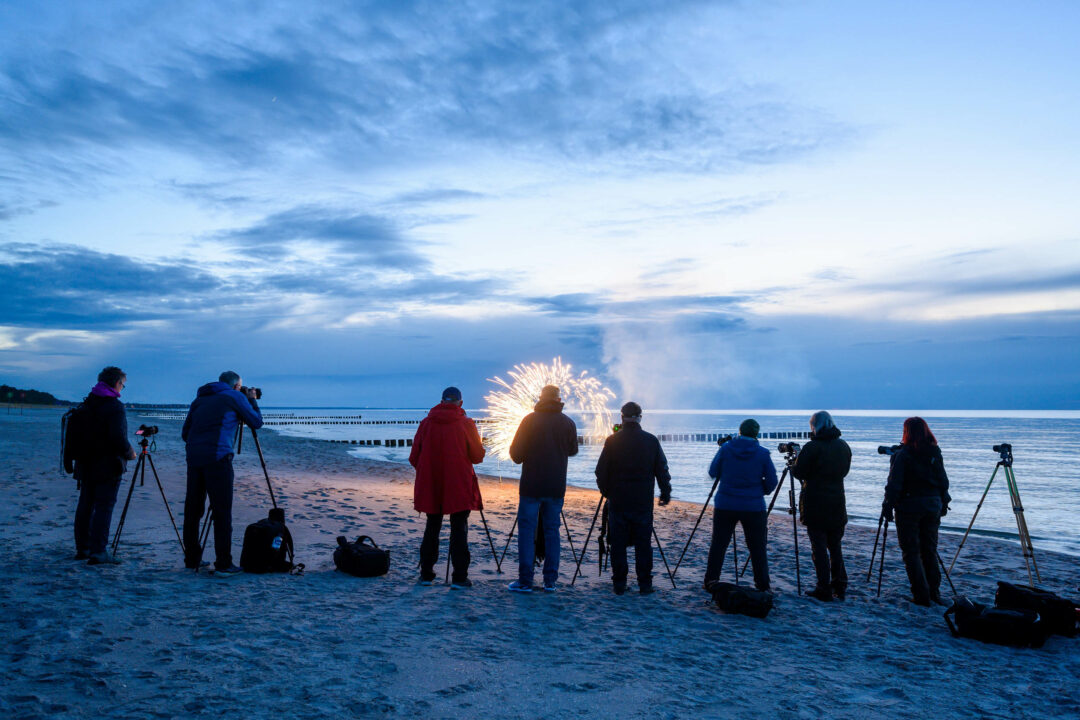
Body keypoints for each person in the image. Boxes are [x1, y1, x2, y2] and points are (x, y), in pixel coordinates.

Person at [181, 370, 262, 575]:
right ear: (236, 386)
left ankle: (192, 559)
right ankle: (224, 563)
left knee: (193, 511)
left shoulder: (199, 399)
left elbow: (185, 433)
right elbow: (256, 422)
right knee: (222, 512)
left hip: (194, 459)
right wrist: (251, 400)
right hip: (218, 458)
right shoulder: (233, 396)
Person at [410, 386, 486, 588]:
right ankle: (459, 577)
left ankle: (426, 574)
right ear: (460, 403)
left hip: (432, 484)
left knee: (432, 527)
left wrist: (428, 471)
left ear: (441, 401)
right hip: (458, 484)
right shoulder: (466, 424)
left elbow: (413, 457)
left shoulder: (426, 423)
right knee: (459, 529)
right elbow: (477, 457)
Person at [594, 401, 672, 595]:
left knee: (618, 543)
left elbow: (600, 471)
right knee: (643, 544)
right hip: (642, 502)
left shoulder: (612, 441)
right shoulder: (651, 440)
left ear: (622, 417)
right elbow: (661, 470)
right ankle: (645, 584)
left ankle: (619, 583)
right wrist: (665, 492)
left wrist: (606, 492)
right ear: (640, 417)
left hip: (618, 501)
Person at [507, 385, 578, 593]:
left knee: (527, 532)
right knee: (552, 531)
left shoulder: (529, 420)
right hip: (556, 486)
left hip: (531, 485)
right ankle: (550, 581)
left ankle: (525, 581)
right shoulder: (568, 423)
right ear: (558, 400)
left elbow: (516, 455)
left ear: (540, 398)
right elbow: (573, 450)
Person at [68, 366, 136, 565]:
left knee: (85, 505)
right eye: (123, 385)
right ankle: (99, 551)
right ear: (116, 383)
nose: (122, 388)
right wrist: (130, 453)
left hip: (85, 463)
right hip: (107, 465)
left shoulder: (88, 403)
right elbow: (117, 437)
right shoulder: (114, 406)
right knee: (104, 507)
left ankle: (83, 548)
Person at [882, 417, 951, 607]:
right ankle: (934, 592)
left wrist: (888, 505)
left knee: (911, 551)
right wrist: (944, 500)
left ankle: (921, 594)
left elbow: (894, 483)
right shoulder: (934, 451)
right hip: (932, 505)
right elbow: (943, 481)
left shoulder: (903, 454)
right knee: (929, 550)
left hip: (909, 507)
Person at [703, 418, 778, 592]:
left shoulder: (726, 449)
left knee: (719, 544)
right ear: (756, 434)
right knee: (757, 547)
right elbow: (772, 481)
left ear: (740, 432)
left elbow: (713, 471)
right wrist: (761, 491)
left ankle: (711, 580)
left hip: (725, 504)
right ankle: (762, 585)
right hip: (753, 506)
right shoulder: (763, 453)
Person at [791, 410, 852, 602]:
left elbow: (800, 473)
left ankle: (823, 587)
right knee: (835, 546)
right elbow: (845, 471)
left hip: (815, 502)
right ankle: (839, 586)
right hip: (837, 502)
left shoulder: (812, 447)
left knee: (818, 548)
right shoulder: (843, 446)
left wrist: (795, 462)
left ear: (814, 426)